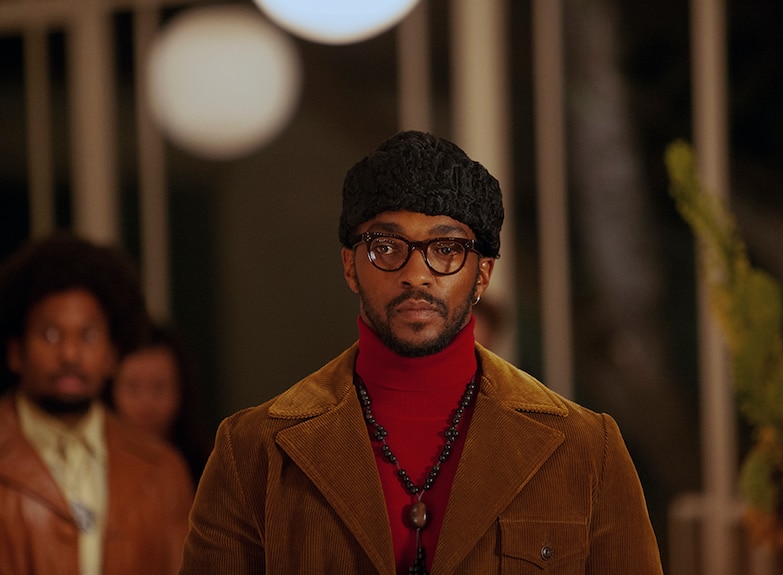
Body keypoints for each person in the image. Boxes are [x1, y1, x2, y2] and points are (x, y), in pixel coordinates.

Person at [179, 131, 663, 574]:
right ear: (350, 266)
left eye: (447, 249)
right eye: (387, 247)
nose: (416, 274)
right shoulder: (253, 451)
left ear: (483, 274)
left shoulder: (585, 448)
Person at [0, 232, 194, 575]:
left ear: (111, 356)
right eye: (50, 334)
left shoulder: (162, 471)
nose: (70, 354)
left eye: (88, 335)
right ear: (16, 352)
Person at [107, 323, 213, 485]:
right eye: (132, 388)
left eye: (159, 387)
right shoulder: (96, 467)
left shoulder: (210, 465)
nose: (146, 403)